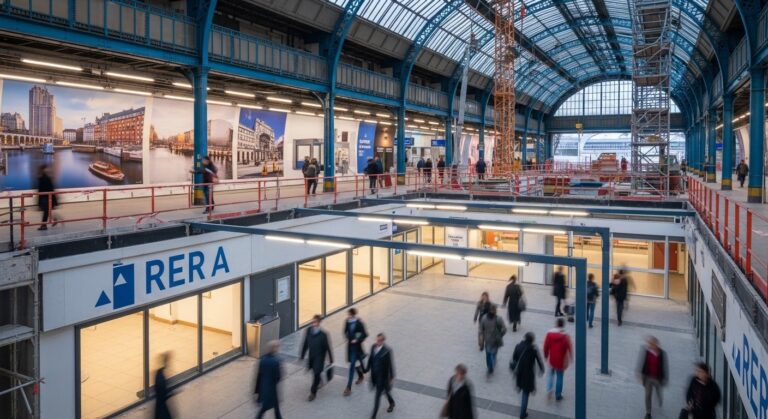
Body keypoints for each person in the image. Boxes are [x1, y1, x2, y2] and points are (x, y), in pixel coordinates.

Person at [300, 315, 334, 401]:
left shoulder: (323, 335)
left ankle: (313, 393)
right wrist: (302, 354)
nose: (313, 323)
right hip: (312, 356)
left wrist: (330, 359)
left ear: (319, 322)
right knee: (315, 372)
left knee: (316, 374)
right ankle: (319, 381)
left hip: (320, 357)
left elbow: (327, 347)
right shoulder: (308, 331)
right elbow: (305, 343)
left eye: (315, 321)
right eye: (313, 321)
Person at [512, 332, 545, 419]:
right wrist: (541, 369)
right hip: (528, 375)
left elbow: (514, 359)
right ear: (532, 340)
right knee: (525, 394)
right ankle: (522, 414)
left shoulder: (518, 346)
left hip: (520, 373)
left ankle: (522, 409)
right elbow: (539, 361)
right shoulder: (533, 349)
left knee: (521, 389)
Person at [638, 336, 668, 419]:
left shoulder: (662, 353)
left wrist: (665, 378)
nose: (650, 345)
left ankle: (659, 397)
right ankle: (648, 413)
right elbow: (643, 363)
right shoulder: (647, 352)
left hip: (657, 378)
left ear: (657, 345)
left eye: (652, 344)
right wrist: (641, 375)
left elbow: (664, 367)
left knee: (658, 390)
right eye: (650, 344)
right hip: (648, 377)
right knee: (648, 395)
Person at [366, 333, 395, 418]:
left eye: (379, 340)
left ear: (383, 341)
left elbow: (390, 364)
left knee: (377, 396)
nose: (377, 342)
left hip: (383, 378)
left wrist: (392, 377)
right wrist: (366, 369)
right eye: (376, 340)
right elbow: (371, 359)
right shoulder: (373, 347)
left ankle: (373, 416)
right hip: (375, 376)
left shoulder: (387, 351)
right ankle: (392, 402)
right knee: (386, 391)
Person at [543, 318, 572, 401]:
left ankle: (549, 389)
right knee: (560, 377)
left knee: (550, 375)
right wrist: (570, 357)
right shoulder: (566, 336)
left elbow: (546, 346)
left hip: (552, 359)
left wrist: (545, 355)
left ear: (556, 324)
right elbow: (569, 347)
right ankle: (558, 395)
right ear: (563, 325)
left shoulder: (549, 333)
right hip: (561, 360)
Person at [254, 340, 283, 419]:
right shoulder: (276, 362)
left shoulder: (262, 360)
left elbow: (258, 376)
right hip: (272, 390)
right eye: (277, 347)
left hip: (263, 388)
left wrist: (256, 391)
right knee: (264, 409)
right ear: (274, 349)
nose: (278, 349)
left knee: (275, 408)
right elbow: (278, 377)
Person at [343, 308, 368, 396]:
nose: (348, 316)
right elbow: (345, 331)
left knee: (354, 365)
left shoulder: (359, 323)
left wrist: (357, 339)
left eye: (349, 314)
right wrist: (348, 337)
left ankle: (349, 386)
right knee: (354, 364)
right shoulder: (347, 321)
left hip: (357, 347)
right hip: (350, 348)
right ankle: (358, 378)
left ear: (353, 314)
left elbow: (365, 334)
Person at [479, 305, 506, 375]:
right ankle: (492, 364)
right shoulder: (499, 318)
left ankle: (490, 367)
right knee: (493, 353)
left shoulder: (484, 318)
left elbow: (480, 330)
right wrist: (500, 335)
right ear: (495, 311)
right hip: (495, 340)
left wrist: (481, 340)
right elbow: (505, 329)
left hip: (488, 340)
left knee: (488, 354)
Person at [36, 164, 58, 230]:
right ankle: (54, 220)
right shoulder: (43, 178)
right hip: (45, 198)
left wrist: (54, 201)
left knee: (46, 212)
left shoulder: (45, 178)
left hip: (46, 198)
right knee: (47, 212)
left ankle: (44, 225)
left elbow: (50, 189)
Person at [154, 352, 174, 419]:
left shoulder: (159, 373)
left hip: (160, 405)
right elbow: (162, 390)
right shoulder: (160, 376)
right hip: (162, 406)